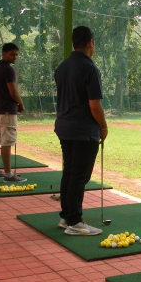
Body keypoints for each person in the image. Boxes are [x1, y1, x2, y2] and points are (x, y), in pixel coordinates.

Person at [54, 26, 108, 236]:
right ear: (91, 43)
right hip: (83, 130)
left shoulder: (62, 67)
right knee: (79, 176)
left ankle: (66, 216)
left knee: (69, 172)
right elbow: (94, 105)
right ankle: (75, 221)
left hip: (65, 127)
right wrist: (103, 127)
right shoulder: (89, 68)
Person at [0, 42, 26, 182]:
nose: (14, 57)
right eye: (12, 54)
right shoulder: (8, 70)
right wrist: (20, 103)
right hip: (7, 111)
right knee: (7, 142)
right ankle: (8, 174)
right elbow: (12, 91)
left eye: (16, 54)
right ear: (4, 54)